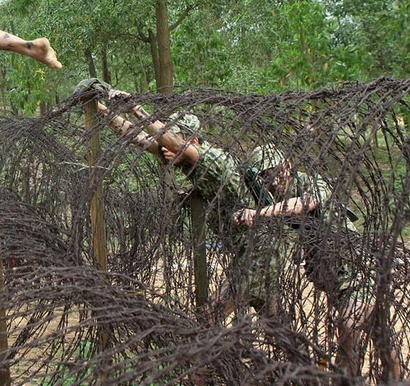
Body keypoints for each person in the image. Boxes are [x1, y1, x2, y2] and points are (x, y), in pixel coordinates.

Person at [87, 82, 280, 318]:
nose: (166, 151)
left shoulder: (212, 158)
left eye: (172, 142)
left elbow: (173, 144)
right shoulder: (184, 158)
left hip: (259, 256)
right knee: (275, 324)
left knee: (209, 317)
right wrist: (100, 109)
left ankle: (211, 355)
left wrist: (136, 108)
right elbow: (138, 137)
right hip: (250, 253)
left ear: (194, 141)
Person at [234, 144, 402, 380]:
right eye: (265, 176)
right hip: (335, 276)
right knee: (377, 331)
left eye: (276, 172)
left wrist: (260, 213)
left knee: (348, 326)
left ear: (288, 167)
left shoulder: (310, 183)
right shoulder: (274, 200)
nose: (273, 181)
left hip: (357, 267)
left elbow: (307, 202)